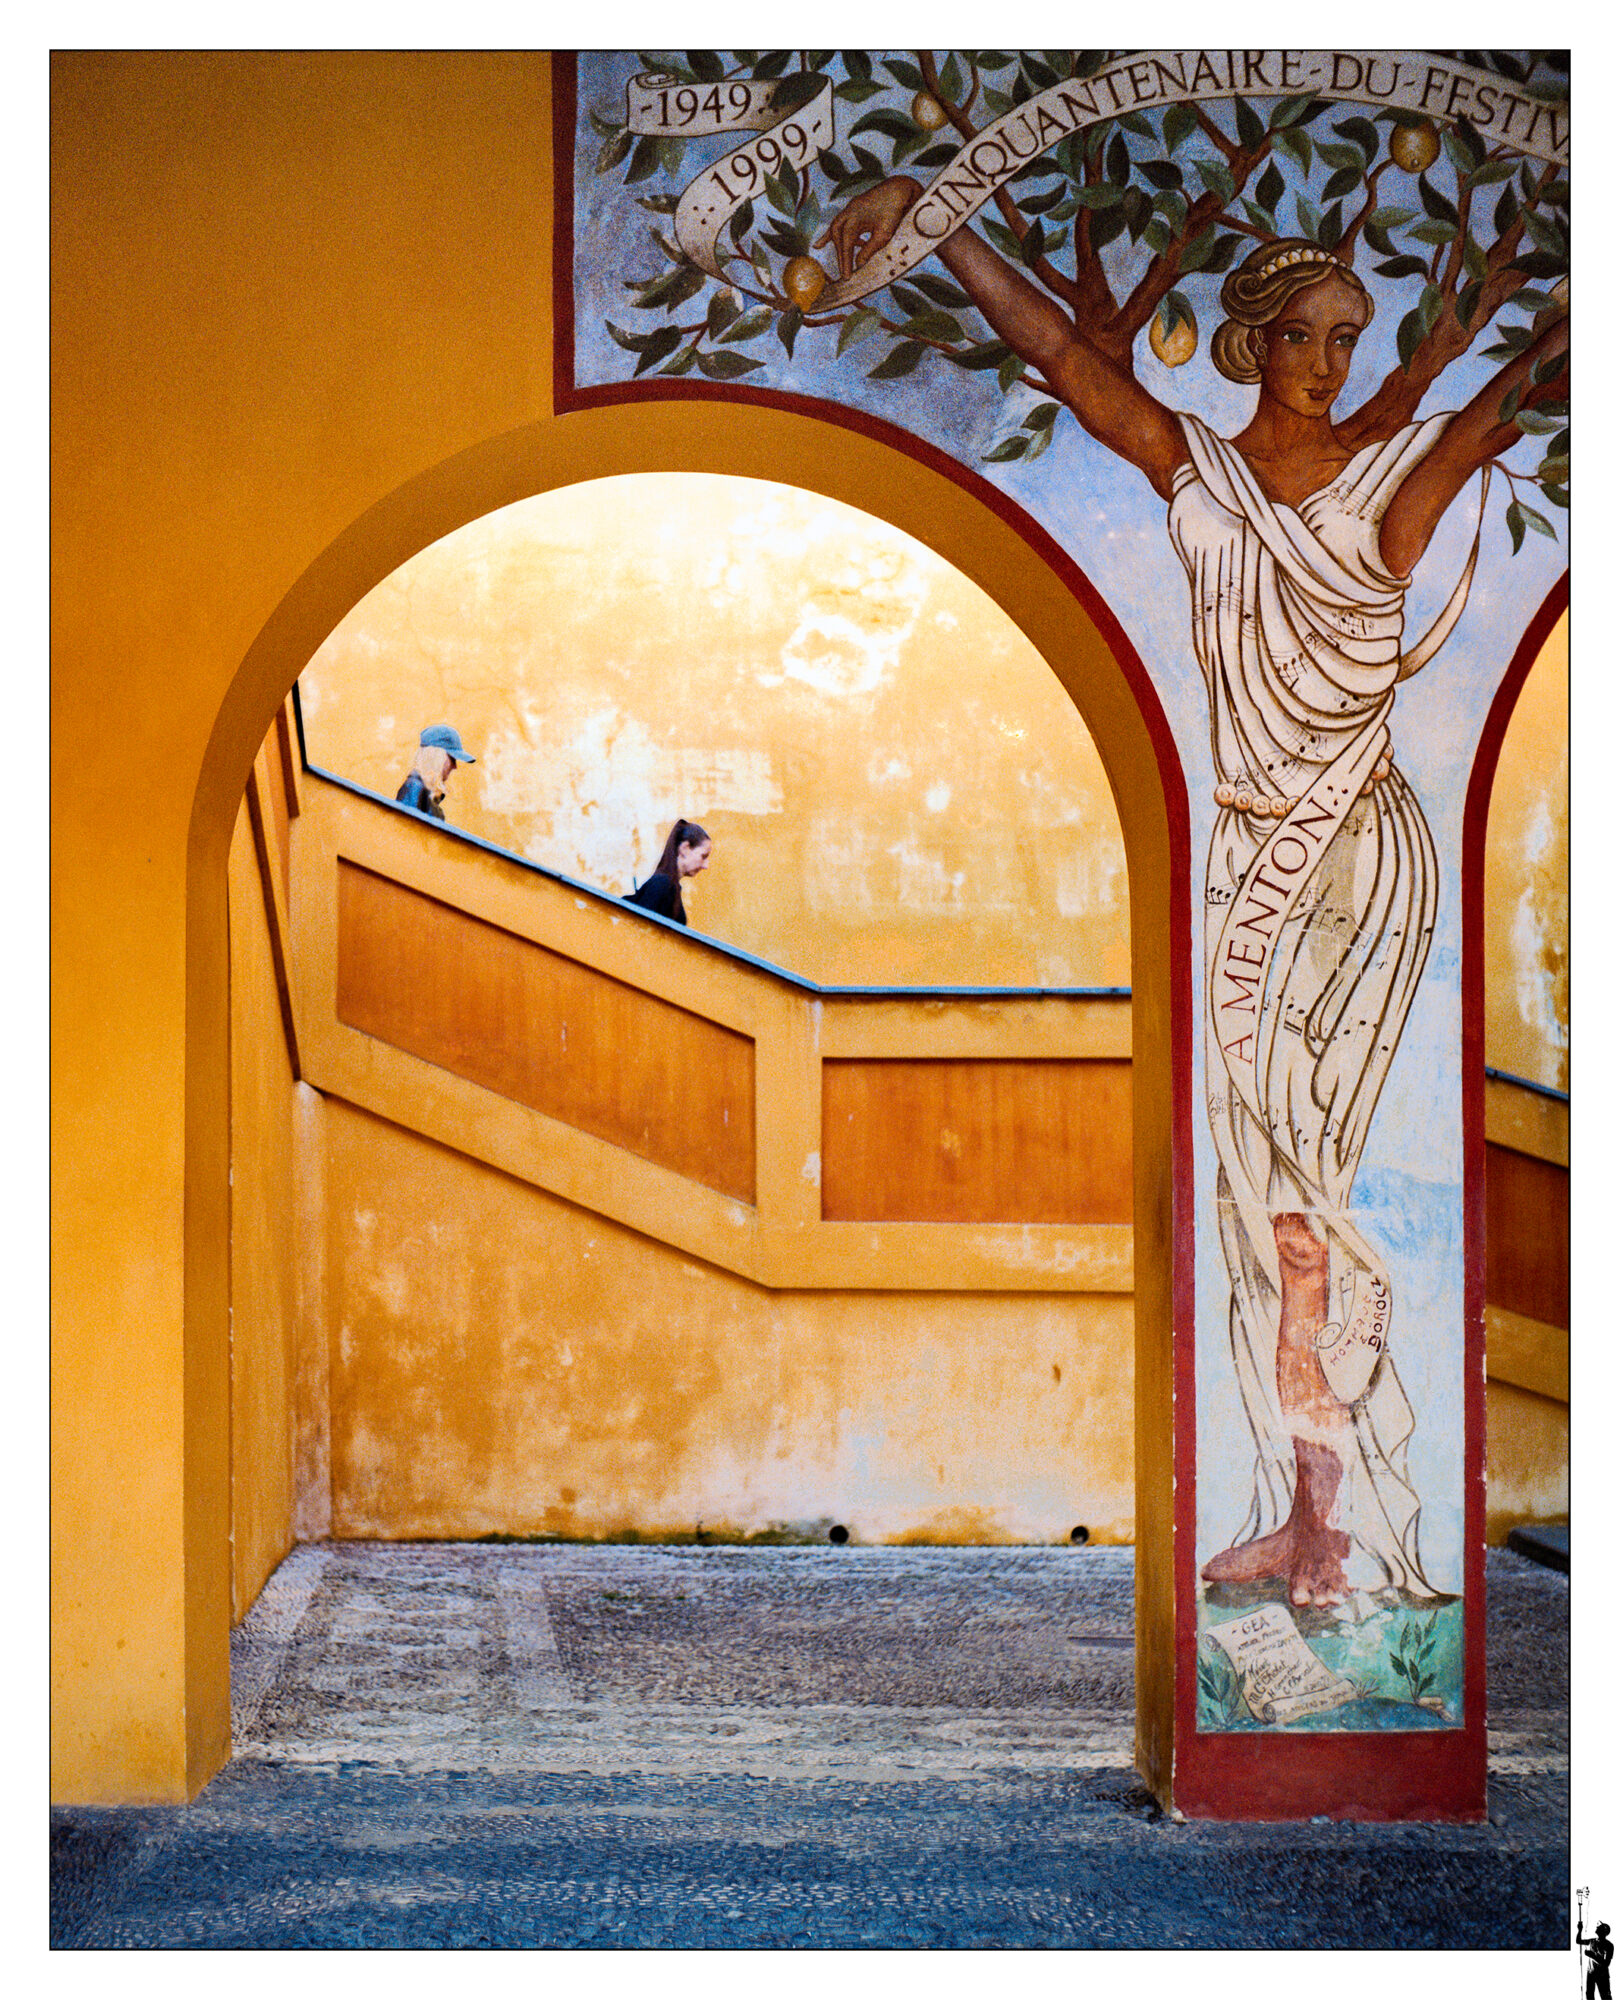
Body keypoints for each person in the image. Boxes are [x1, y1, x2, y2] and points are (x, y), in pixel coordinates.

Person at [819, 182, 1567, 1613]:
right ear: (1254, 339)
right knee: (1260, 1205)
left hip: (1353, 862)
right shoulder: (1203, 473)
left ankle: (1326, 1526)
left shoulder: (1391, 472)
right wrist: (938, 222)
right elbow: (1068, 360)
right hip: (1245, 857)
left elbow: (1511, 397)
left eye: (1354, 335)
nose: (1335, 362)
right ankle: (1306, 1519)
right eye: (1309, 334)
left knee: (1312, 1199)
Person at [626, 819, 712, 926]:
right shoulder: (662, 884)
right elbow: (640, 931)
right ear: (685, 848)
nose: (706, 866)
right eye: (703, 856)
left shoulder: (667, 885)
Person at [396, 724, 476, 821]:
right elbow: (406, 829)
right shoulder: (415, 787)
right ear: (437, 757)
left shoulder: (424, 792)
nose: (455, 766)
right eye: (452, 759)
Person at [1580, 1917, 1614, 2000]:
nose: (1597, 1927)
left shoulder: (1609, 1945)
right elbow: (1578, 1941)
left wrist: (1592, 1955)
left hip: (1602, 1975)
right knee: (1589, 1995)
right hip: (1591, 1973)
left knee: (1605, 1997)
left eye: (1599, 1927)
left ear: (1604, 1932)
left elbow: (1606, 1964)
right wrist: (1580, 1930)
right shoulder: (1592, 1941)